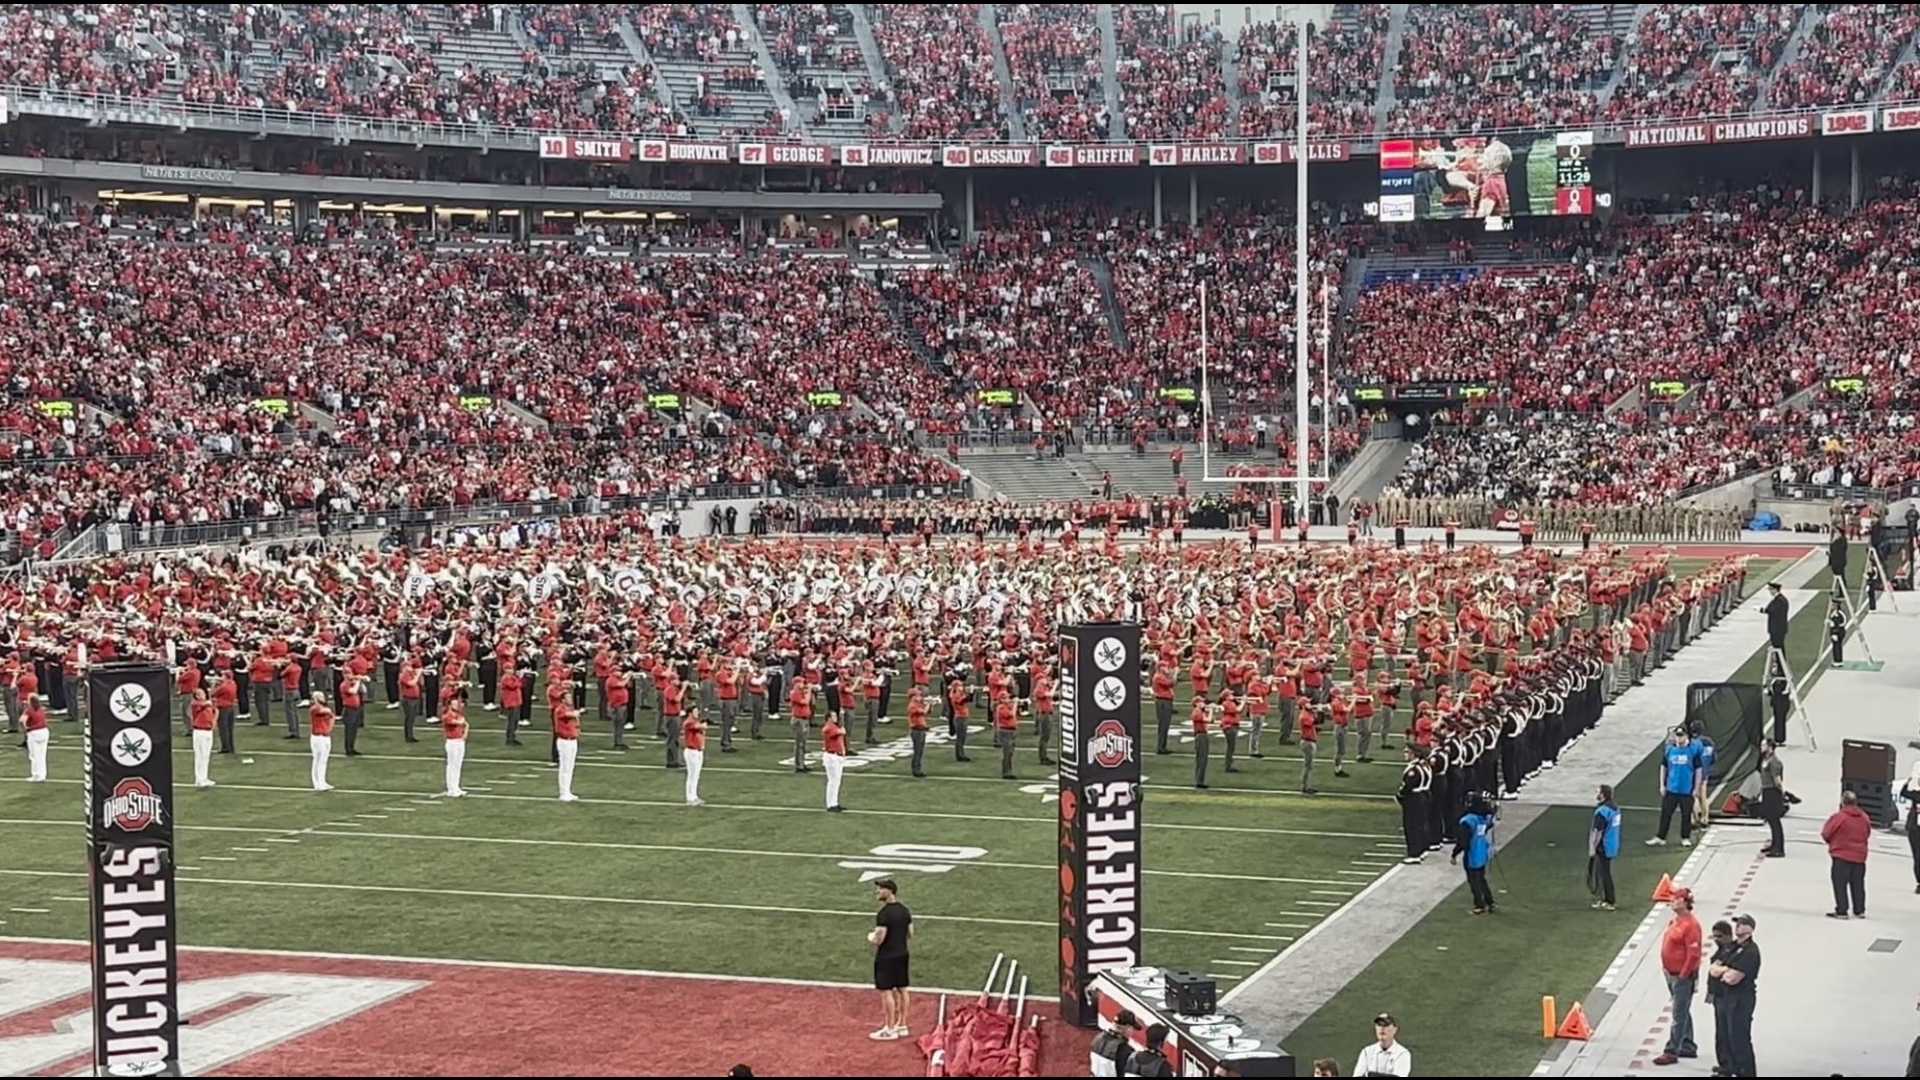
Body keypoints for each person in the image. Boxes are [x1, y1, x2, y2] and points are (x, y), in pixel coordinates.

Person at [1651, 888, 1701, 1066]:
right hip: (1671, 973)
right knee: (1682, 1009)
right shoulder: (1676, 921)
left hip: (1681, 976)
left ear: (1685, 902)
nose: (1672, 901)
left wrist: (1683, 976)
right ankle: (1687, 1044)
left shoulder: (1691, 925)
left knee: (1678, 1014)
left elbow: (1693, 954)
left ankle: (1672, 1051)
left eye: (1676, 899)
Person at [1710, 914, 1760, 1077]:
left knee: (1739, 1038)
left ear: (1750, 929)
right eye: (1737, 923)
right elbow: (1713, 967)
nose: (1737, 926)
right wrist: (1725, 970)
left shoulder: (1751, 951)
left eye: (1741, 924)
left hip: (1741, 998)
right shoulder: (1731, 947)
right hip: (1725, 996)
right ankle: (1728, 1067)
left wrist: (1723, 971)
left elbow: (1732, 979)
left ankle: (1746, 1072)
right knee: (1723, 1035)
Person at [869, 877, 914, 1041]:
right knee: (902, 989)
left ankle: (889, 1028)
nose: (877, 892)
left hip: (887, 956)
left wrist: (871, 938)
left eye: (881, 889)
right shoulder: (904, 910)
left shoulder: (884, 914)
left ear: (889, 891)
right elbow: (911, 934)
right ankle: (902, 1025)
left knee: (886, 991)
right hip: (902, 953)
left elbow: (879, 939)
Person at [1821, 789, 1871, 919]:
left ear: (1843, 802)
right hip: (1860, 856)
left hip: (1841, 855)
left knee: (1840, 883)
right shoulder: (1864, 817)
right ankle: (1859, 910)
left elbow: (1826, 833)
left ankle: (1842, 910)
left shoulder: (1839, 817)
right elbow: (1867, 833)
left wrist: (1832, 843)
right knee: (1858, 883)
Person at [1648, 727, 1701, 847]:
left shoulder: (1693, 751)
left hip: (1686, 790)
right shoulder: (1670, 750)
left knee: (1686, 815)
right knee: (1665, 813)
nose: (1679, 737)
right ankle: (1661, 836)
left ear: (1687, 736)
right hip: (1671, 788)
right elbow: (1663, 767)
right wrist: (1662, 784)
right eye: (1677, 735)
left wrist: (1696, 788)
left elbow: (1698, 770)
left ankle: (1685, 837)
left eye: (1681, 735)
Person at [1452, 794, 1497, 914]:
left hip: (1472, 853)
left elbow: (1463, 841)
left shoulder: (1468, 820)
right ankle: (1490, 902)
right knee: (1481, 878)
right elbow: (1490, 822)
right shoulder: (1483, 818)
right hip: (1483, 851)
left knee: (1474, 880)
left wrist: (1455, 853)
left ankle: (1480, 905)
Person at [1589, 784, 1621, 910]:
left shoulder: (1602, 812)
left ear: (1602, 795)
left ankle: (1609, 900)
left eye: (1598, 792)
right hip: (1612, 843)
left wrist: (1592, 847)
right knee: (1604, 872)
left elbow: (1598, 831)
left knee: (1604, 874)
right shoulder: (1615, 808)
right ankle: (1606, 899)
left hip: (1604, 846)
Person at [1755, 739, 1786, 857]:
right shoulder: (1765, 759)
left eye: (1764, 745)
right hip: (1766, 790)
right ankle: (1774, 844)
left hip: (1773, 791)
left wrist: (1782, 792)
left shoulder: (1774, 762)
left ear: (1770, 747)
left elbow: (1777, 780)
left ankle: (1779, 848)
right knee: (1770, 819)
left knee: (1774, 820)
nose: (1761, 747)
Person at [1090, 1010, 1138, 1077]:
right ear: (1128, 1028)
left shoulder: (1098, 1039)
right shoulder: (1125, 1050)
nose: (1132, 1032)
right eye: (1133, 1029)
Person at [553, 698, 581, 802]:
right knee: (565, 767)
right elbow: (567, 715)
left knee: (570, 767)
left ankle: (568, 791)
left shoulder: (569, 708)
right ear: (563, 699)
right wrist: (575, 713)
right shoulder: (560, 709)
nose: (571, 699)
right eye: (568, 697)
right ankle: (563, 792)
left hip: (572, 739)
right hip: (565, 741)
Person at [189, 688, 217, 789]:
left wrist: (213, 722)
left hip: (208, 731)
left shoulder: (206, 703)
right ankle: (199, 779)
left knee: (206, 756)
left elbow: (214, 710)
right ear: (196, 696)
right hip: (199, 731)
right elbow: (205, 705)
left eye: (203, 693)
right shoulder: (195, 703)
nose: (202, 695)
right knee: (199, 756)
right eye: (200, 694)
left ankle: (204, 777)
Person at [441, 694, 468, 798]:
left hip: (460, 740)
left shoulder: (458, 714)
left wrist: (464, 734)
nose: (457, 705)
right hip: (452, 742)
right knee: (452, 765)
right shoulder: (447, 715)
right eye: (454, 703)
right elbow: (456, 722)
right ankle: (451, 788)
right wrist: (461, 723)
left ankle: (456, 787)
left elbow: (465, 724)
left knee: (458, 765)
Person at [308, 691, 335, 792]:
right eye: (320, 697)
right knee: (317, 760)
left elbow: (331, 716)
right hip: (317, 737)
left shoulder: (322, 708)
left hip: (325, 736)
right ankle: (317, 783)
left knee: (324, 760)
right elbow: (326, 711)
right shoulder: (314, 708)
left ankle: (322, 781)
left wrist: (329, 728)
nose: (323, 698)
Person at [822, 710, 848, 812]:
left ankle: (835, 802)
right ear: (828, 718)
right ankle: (831, 804)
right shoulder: (829, 727)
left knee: (836, 781)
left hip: (837, 756)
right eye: (833, 716)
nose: (835, 717)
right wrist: (841, 730)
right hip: (832, 757)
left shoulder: (833, 726)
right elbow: (838, 732)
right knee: (833, 781)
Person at [1901, 762, 1920, 893]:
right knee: (1917, 856)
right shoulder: (1916, 794)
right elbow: (1904, 792)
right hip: (1915, 827)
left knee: (1918, 856)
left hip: (1914, 827)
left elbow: (1905, 792)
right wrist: (1911, 779)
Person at [21, 693, 48, 783]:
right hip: (44, 731)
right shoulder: (41, 709)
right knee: (42, 755)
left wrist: (26, 728)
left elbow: (22, 720)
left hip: (34, 733)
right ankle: (43, 774)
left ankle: (36, 774)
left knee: (34, 755)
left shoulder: (29, 710)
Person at [684, 707, 708, 806]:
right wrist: (703, 725)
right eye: (695, 711)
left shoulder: (695, 721)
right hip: (691, 751)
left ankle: (694, 796)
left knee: (696, 776)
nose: (697, 713)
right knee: (692, 775)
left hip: (698, 751)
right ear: (690, 713)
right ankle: (690, 798)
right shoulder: (689, 722)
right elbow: (699, 727)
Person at [1764, 582, 1788, 650]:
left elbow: (1772, 611)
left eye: (1771, 589)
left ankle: (1780, 660)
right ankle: (1779, 660)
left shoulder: (1779, 600)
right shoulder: (1780, 599)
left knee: (1778, 646)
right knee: (1778, 646)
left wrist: (1762, 610)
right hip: (1777, 627)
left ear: (1775, 590)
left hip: (1777, 628)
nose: (1770, 591)